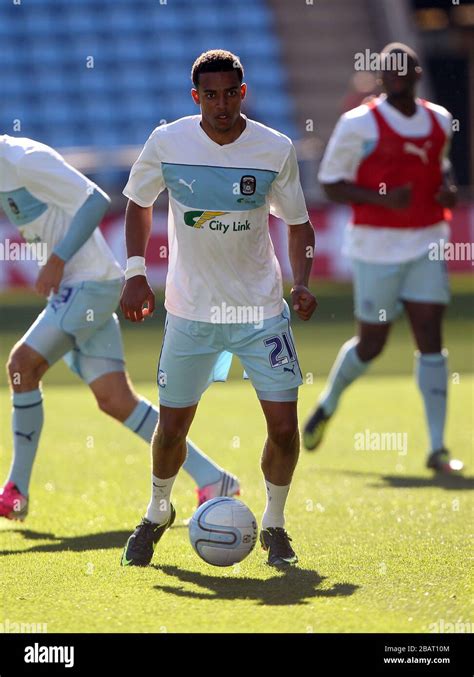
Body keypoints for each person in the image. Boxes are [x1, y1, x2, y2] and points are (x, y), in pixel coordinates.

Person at [120, 49, 317, 568]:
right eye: (211, 95)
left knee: (283, 429)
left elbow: (298, 224)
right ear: (196, 97)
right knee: (172, 429)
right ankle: (158, 509)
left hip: (260, 313)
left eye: (230, 93)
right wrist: (136, 272)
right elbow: (139, 203)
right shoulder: (168, 141)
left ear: (243, 93)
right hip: (191, 313)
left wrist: (302, 281)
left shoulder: (274, 149)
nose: (221, 104)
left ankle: (273, 524)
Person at [0, 134, 239, 521]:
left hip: (89, 283)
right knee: (115, 399)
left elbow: (96, 199)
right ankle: (214, 478)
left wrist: (58, 259)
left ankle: (16, 492)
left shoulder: (24, 159)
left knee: (21, 366)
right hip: (81, 287)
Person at [303, 43, 463, 474]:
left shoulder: (441, 119)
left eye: (403, 69)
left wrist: (447, 188)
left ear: (415, 74)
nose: (396, 76)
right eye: (387, 71)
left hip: (428, 239)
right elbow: (331, 183)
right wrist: (385, 200)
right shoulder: (359, 124)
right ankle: (327, 404)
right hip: (376, 246)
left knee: (430, 333)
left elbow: (440, 165)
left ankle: (437, 448)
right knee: (372, 343)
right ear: (379, 78)